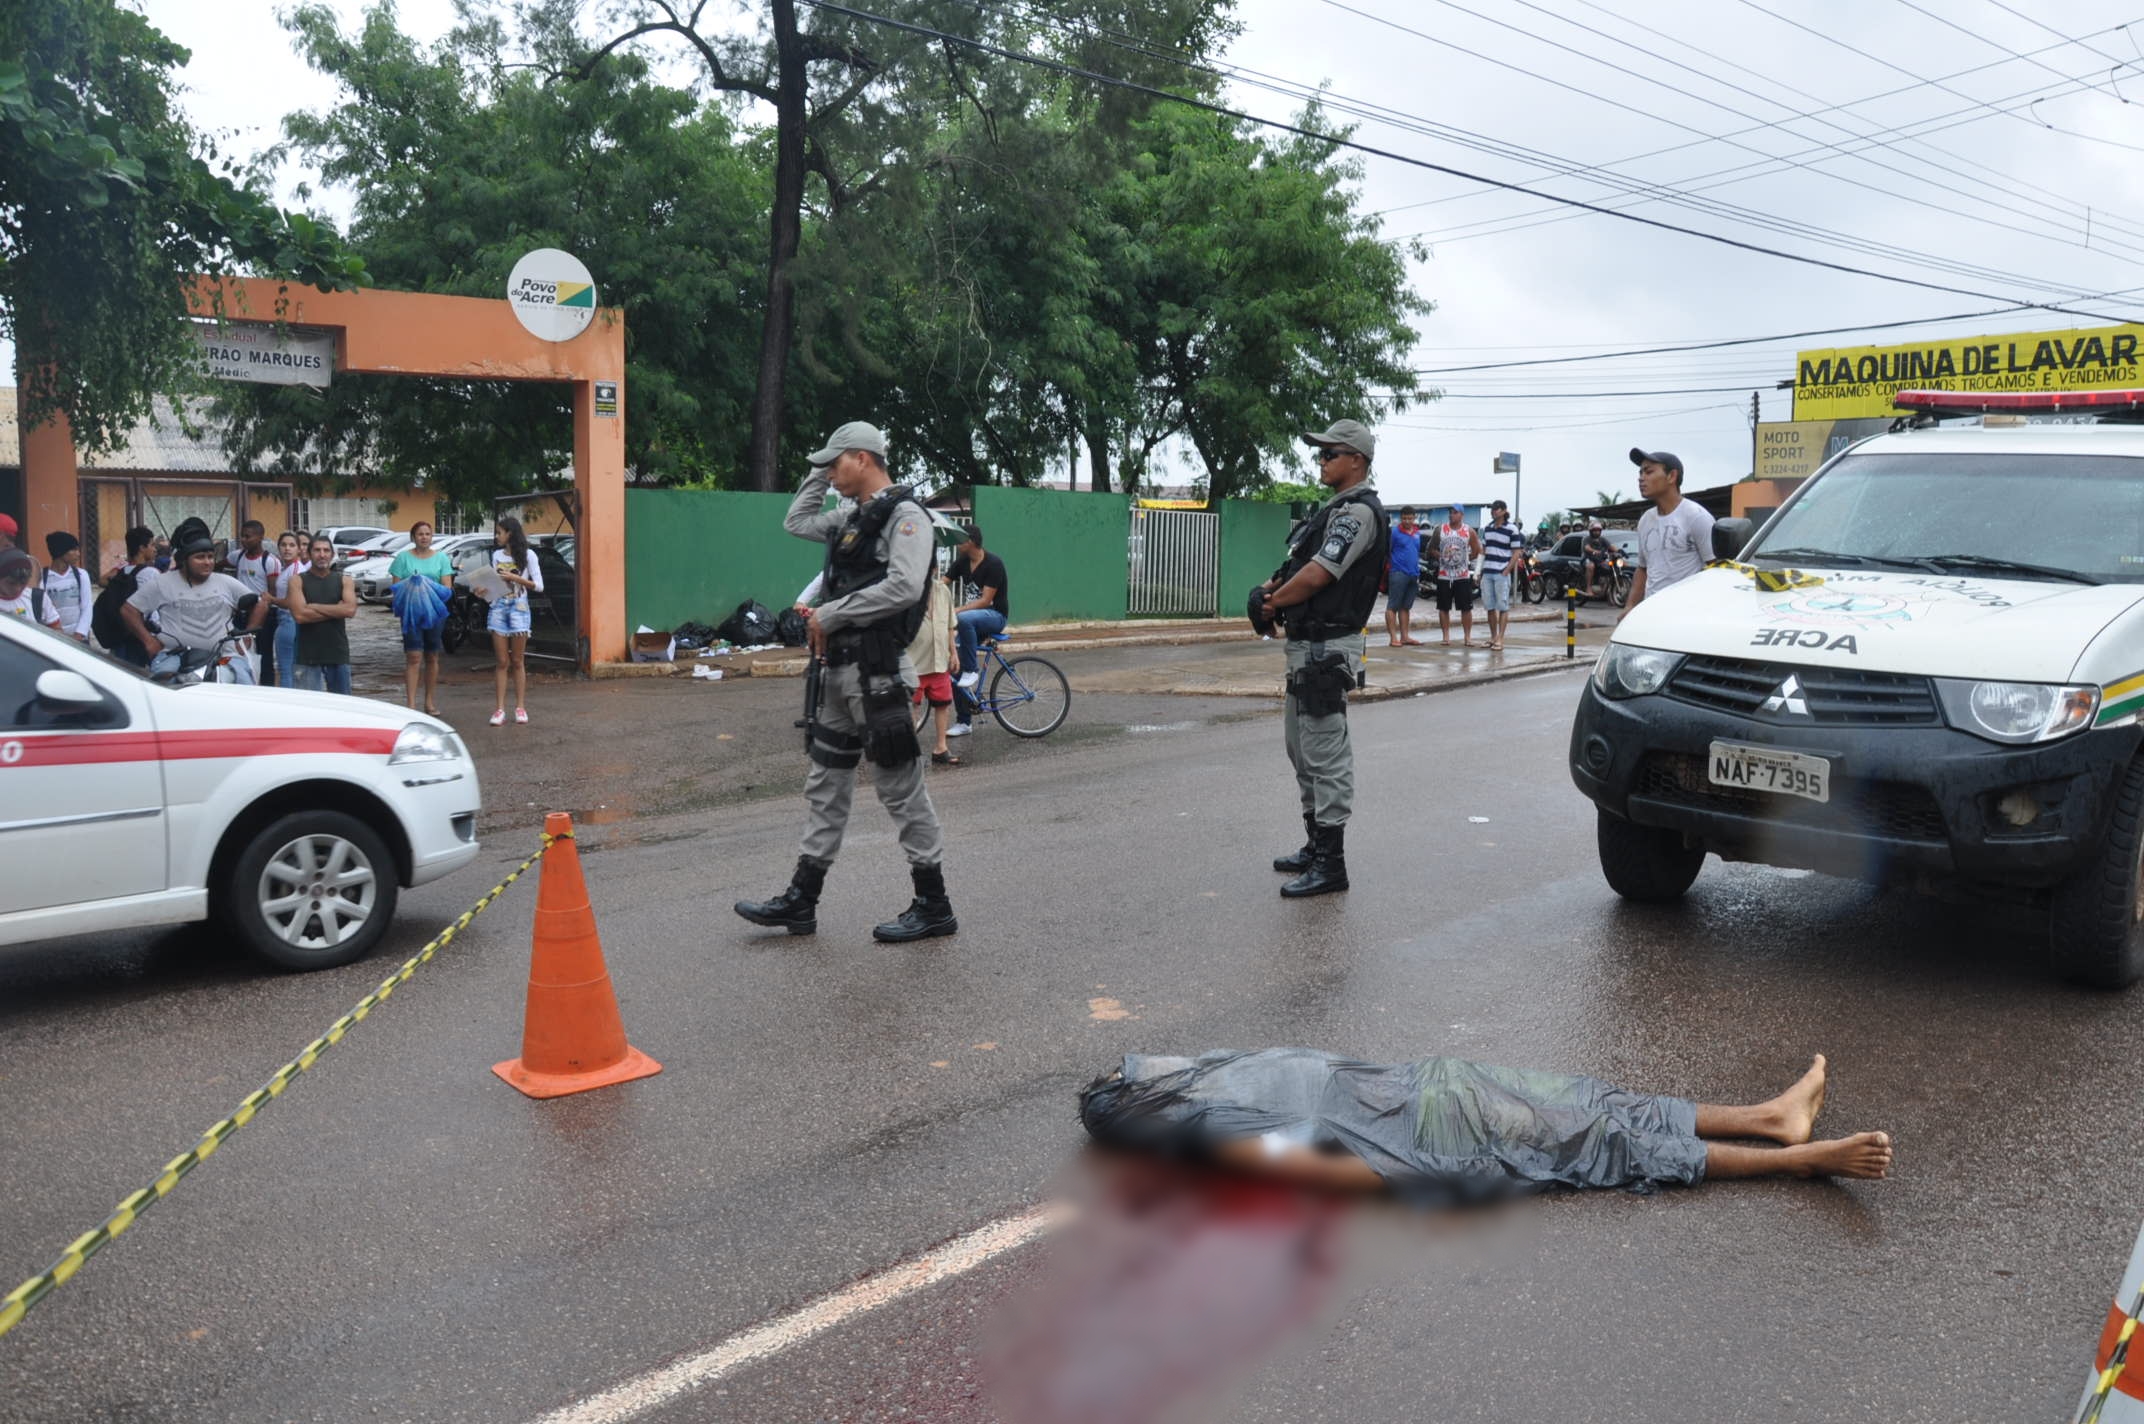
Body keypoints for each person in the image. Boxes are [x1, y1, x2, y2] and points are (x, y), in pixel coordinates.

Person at [1080, 1051, 1891, 1199]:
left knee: (1597, 1103)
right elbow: (1326, 1167)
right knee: (1601, 1145)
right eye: (1134, 1075)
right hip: (1427, 1138)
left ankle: (1769, 1117)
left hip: (1434, 1087)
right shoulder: (1216, 1127)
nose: (1143, 1063)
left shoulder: (1213, 1071)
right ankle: (1797, 1160)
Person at [735, 420, 958, 943]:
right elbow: (796, 520)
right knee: (825, 786)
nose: (830, 473)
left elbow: (904, 587)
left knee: (900, 789)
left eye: (835, 463)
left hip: (878, 675)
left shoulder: (906, 517)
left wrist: (832, 613)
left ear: (863, 458)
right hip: (837, 675)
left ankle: (935, 905)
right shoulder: (851, 519)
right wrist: (816, 468)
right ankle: (801, 902)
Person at [1252, 418, 1388, 899]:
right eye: (1321, 453)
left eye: (1330, 453)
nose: (1322, 460)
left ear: (1357, 460)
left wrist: (1275, 603)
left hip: (1327, 649)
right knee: (1301, 746)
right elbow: (1295, 566)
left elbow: (1318, 574)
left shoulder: (1358, 512)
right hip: (1307, 648)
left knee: (1325, 753)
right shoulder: (1332, 510)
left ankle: (1333, 863)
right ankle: (1315, 846)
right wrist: (1265, 591)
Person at [122, 530, 267, 679]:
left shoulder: (225, 582)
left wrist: (248, 635)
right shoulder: (162, 582)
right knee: (163, 689)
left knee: (243, 686)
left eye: (210, 557)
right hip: (174, 655)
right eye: (200, 557)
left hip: (225, 655)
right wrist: (148, 641)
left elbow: (260, 604)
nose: (207, 562)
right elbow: (128, 610)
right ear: (185, 560)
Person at [1623, 447, 1716, 616]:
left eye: (1648, 472)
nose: (1641, 478)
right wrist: (1629, 607)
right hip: (1651, 612)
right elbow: (1643, 569)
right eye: (1640, 473)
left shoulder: (1696, 517)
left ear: (1671, 476)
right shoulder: (1645, 520)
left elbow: (1715, 570)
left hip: (1686, 614)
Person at [389, 520, 456, 716]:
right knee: (413, 656)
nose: (424, 537)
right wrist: (413, 585)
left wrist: (426, 586)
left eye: (427, 534)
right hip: (411, 614)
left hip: (435, 613)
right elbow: (397, 590)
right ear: (413, 537)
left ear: (432, 536)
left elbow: (447, 589)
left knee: (432, 655)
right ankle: (410, 705)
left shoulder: (441, 558)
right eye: (420, 534)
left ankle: (429, 702)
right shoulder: (402, 559)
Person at [482, 516, 543, 726]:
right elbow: (492, 585)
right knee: (501, 662)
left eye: (499, 532)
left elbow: (539, 585)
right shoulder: (497, 555)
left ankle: (520, 707)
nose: (497, 536)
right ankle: (499, 709)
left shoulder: (529, 555)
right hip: (498, 607)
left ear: (510, 533)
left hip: (519, 608)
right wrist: (482, 589)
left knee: (517, 661)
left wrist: (515, 578)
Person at [907, 561, 961, 767]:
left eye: (928, 568)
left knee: (943, 704)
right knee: (912, 706)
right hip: (913, 662)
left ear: (934, 570)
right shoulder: (907, 593)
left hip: (939, 660)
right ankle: (909, 753)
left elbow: (949, 625)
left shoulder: (942, 591)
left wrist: (953, 653)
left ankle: (941, 748)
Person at [288, 533, 356, 693]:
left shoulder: (344, 580)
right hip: (306, 655)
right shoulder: (297, 581)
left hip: (338, 653)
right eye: (317, 550)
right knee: (309, 711)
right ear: (309, 553)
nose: (322, 554)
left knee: (344, 708)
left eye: (326, 550)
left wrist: (313, 606)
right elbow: (300, 616)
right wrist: (337, 609)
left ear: (332, 554)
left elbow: (350, 610)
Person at [950, 525, 1009, 694]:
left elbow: (985, 601)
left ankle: (971, 670)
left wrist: (957, 610)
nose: (956, 544)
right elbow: (942, 582)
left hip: (995, 616)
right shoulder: (962, 562)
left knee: (964, 618)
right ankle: (964, 720)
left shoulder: (993, 564)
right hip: (971, 621)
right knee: (955, 667)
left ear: (970, 542)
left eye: (959, 540)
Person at [226, 519, 282, 685]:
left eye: (247, 537)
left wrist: (263, 606)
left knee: (264, 655)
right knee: (239, 651)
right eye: (242, 536)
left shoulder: (270, 561)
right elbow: (219, 565)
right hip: (240, 613)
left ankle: (266, 687)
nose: (243, 540)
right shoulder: (237, 556)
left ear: (259, 538)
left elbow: (272, 591)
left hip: (264, 614)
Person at [91, 526, 159, 665]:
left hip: (120, 634)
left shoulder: (121, 571)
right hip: (141, 637)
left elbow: (102, 580)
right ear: (141, 548)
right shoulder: (151, 574)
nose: (155, 549)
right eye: (151, 544)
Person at [1432, 504, 1483, 646]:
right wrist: (1442, 556)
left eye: (1455, 512)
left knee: (1466, 608)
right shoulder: (1440, 530)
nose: (1451, 515)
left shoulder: (1469, 531)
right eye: (1450, 512)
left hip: (1462, 576)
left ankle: (1467, 637)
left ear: (1461, 515)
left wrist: (1464, 559)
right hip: (1444, 575)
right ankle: (1446, 636)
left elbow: (1477, 550)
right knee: (1443, 607)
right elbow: (1431, 549)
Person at [1478, 500, 1522, 652]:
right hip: (1488, 571)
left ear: (1504, 511)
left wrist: (1507, 570)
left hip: (1501, 572)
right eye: (1492, 509)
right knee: (1489, 607)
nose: (1494, 511)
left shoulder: (1512, 529)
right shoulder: (1487, 529)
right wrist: (1478, 571)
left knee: (1502, 606)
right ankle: (1493, 637)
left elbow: (1516, 552)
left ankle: (1501, 639)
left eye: (1497, 509)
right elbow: (1483, 550)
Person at [40, 531, 94, 642]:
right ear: (61, 552)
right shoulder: (42, 578)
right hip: (53, 639)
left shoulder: (81, 575)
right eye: (73, 550)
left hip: (79, 639)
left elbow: (87, 607)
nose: (78, 554)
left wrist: (79, 635)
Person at [1383, 507, 1424, 648]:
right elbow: (1388, 550)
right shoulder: (1394, 533)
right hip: (1398, 572)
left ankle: (1405, 637)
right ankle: (1393, 638)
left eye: (1410, 518)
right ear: (1401, 518)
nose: (1407, 521)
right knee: (1392, 606)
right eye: (1404, 518)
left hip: (1413, 573)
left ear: (1414, 518)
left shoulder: (1417, 533)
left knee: (1405, 607)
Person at [268, 531, 305, 687]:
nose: (287, 549)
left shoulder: (296, 569)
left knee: (286, 669)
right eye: (283, 545)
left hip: (290, 620)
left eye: (291, 545)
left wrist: (272, 600)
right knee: (289, 669)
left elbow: (292, 601)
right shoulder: (287, 568)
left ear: (299, 549)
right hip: (284, 620)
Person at [0, 548, 63, 630]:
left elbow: (57, 630)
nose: (18, 589)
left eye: (23, 583)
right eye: (11, 583)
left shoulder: (37, 598)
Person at [1580, 521, 1616, 599]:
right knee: (1591, 566)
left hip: (1599, 560)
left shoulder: (1602, 539)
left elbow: (1611, 546)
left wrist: (1619, 551)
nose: (1597, 532)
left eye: (1598, 530)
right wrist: (1594, 551)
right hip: (1588, 558)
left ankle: (1607, 589)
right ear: (1591, 531)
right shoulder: (1586, 539)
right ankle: (1588, 588)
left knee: (1609, 565)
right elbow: (1587, 547)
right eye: (1595, 530)